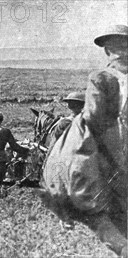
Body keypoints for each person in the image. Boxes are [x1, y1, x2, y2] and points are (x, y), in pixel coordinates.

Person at [40, 25, 127, 257]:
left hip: (113, 143)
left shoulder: (100, 77)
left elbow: (94, 117)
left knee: (72, 178)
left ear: (108, 51)